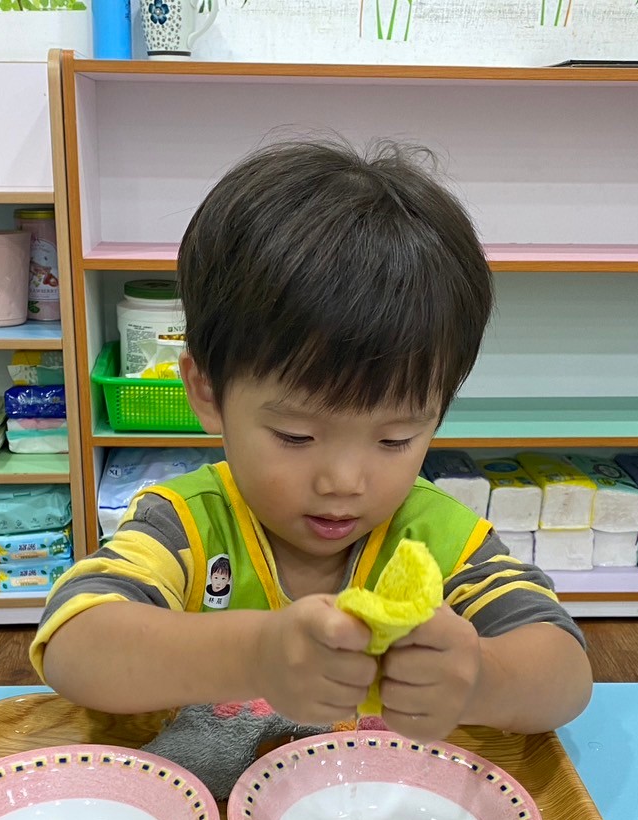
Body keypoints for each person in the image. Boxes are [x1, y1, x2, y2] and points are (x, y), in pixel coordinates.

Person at [32, 139, 591, 755]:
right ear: (208, 390)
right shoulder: (185, 527)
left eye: (396, 438)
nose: (344, 480)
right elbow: (74, 644)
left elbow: (564, 674)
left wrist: (483, 678)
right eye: (296, 436)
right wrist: (257, 654)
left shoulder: (440, 540)